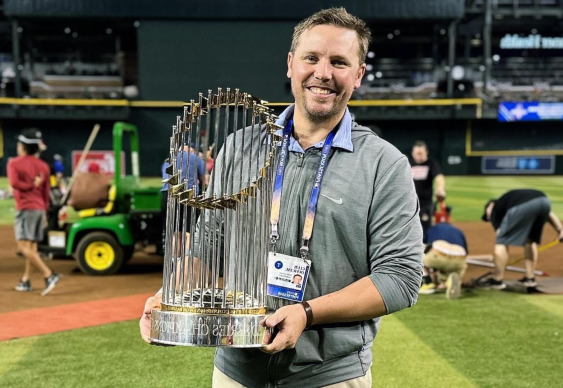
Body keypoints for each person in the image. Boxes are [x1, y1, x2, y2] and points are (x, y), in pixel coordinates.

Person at [140, 8, 423, 388]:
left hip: (330, 376)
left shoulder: (384, 165)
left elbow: (400, 278)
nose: (323, 73)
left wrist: (307, 312)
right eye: (311, 58)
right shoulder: (239, 147)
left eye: (339, 62)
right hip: (236, 370)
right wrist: (169, 298)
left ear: (358, 75)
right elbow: (209, 249)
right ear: (291, 64)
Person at [8, 129, 61, 296]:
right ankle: (25, 281)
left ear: (23, 146)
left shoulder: (14, 163)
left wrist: (31, 185)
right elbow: (46, 192)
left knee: (23, 247)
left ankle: (49, 275)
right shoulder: (43, 166)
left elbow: (14, 183)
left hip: (25, 208)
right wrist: (44, 212)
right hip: (39, 209)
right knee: (32, 247)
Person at [480, 189, 563, 289]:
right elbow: (549, 213)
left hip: (523, 206)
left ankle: (497, 280)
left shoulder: (494, 208)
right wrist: (561, 230)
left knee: (501, 241)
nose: (489, 219)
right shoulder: (509, 200)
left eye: (487, 217)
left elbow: (500, 234)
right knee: (530, 240)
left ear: (489, 207)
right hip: (544, 201)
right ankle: (530, 279)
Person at [160, 143, 206, 257]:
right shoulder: (196, 158)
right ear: (190, 149)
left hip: (169, 195)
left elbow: (165, 178)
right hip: (188, 194)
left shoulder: (168, 160)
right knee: (189, 232)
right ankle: (186, 264)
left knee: (176, 234)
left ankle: (174, 264)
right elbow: (206, 179)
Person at [419, 216, 468, 299]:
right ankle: (447, 282)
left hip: (439, 255)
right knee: (450, 265)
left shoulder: (433, 228)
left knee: (416, 256)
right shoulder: (458, 231)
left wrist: (431, 269)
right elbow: (466, 252)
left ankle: (427, 282)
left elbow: (425, 246)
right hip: (460, 260)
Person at [410, 140, 445, 237]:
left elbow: (439, 177)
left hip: (425, 203)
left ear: (426, 152)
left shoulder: (431, 163)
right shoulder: (408, 163)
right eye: (416, 153)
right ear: (413, 153)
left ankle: (425, 249)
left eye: (421, 153)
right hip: (410, 204)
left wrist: (440, 189)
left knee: (425, 230)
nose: (419, 156)